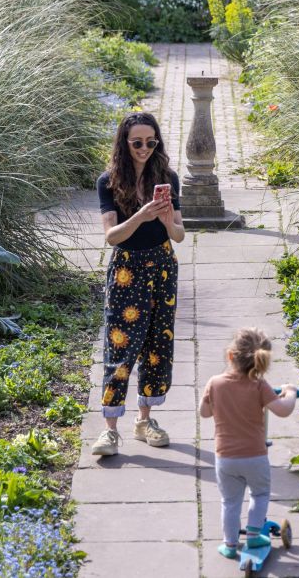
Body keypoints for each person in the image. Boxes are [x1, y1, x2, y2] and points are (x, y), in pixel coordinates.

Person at [91, 111, 185, 457]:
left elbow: (179, 234)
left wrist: (164, 217)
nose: (144, 148)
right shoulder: (109, 181)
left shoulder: (168, 178)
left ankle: (145, 420)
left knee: (157, 342)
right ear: (124, 143)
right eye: (137, 143)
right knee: (120, 346)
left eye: (151, 142)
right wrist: (141, 216)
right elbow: (111, 237)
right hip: (127, 269)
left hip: (162, 265)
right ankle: (109, 428)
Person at [199, 328, 298, 559]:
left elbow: (204, 413)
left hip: (225, 458)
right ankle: (253, 536)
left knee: (230, 502)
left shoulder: (215, 383)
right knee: (260, 494)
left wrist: (216, 401)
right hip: (255, 456)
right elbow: (282, 410)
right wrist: (289, 393)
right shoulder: (259, 385)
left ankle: (230, 545)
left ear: (231, 356)